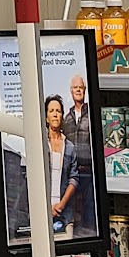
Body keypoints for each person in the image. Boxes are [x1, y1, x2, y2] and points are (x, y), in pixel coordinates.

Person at [62, 71, 96, 238]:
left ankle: (89, 239)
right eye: (75, 87)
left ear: (85, 90)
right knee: (73, 209)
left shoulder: (91, 114)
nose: (78, 90)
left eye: (80, 87)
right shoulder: (66, 118)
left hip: (89, 170)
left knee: (90, 209)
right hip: (72, 173)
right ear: (71, 91)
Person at [44, 95, 79, 235]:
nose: (55, 114)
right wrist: (47, 206)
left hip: (65, 213)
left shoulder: (70, 147)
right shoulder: (40, 144)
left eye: (58, 111)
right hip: (42, 212)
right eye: (51, 111)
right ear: (46, 117)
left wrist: (61, 205)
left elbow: (74, 179)